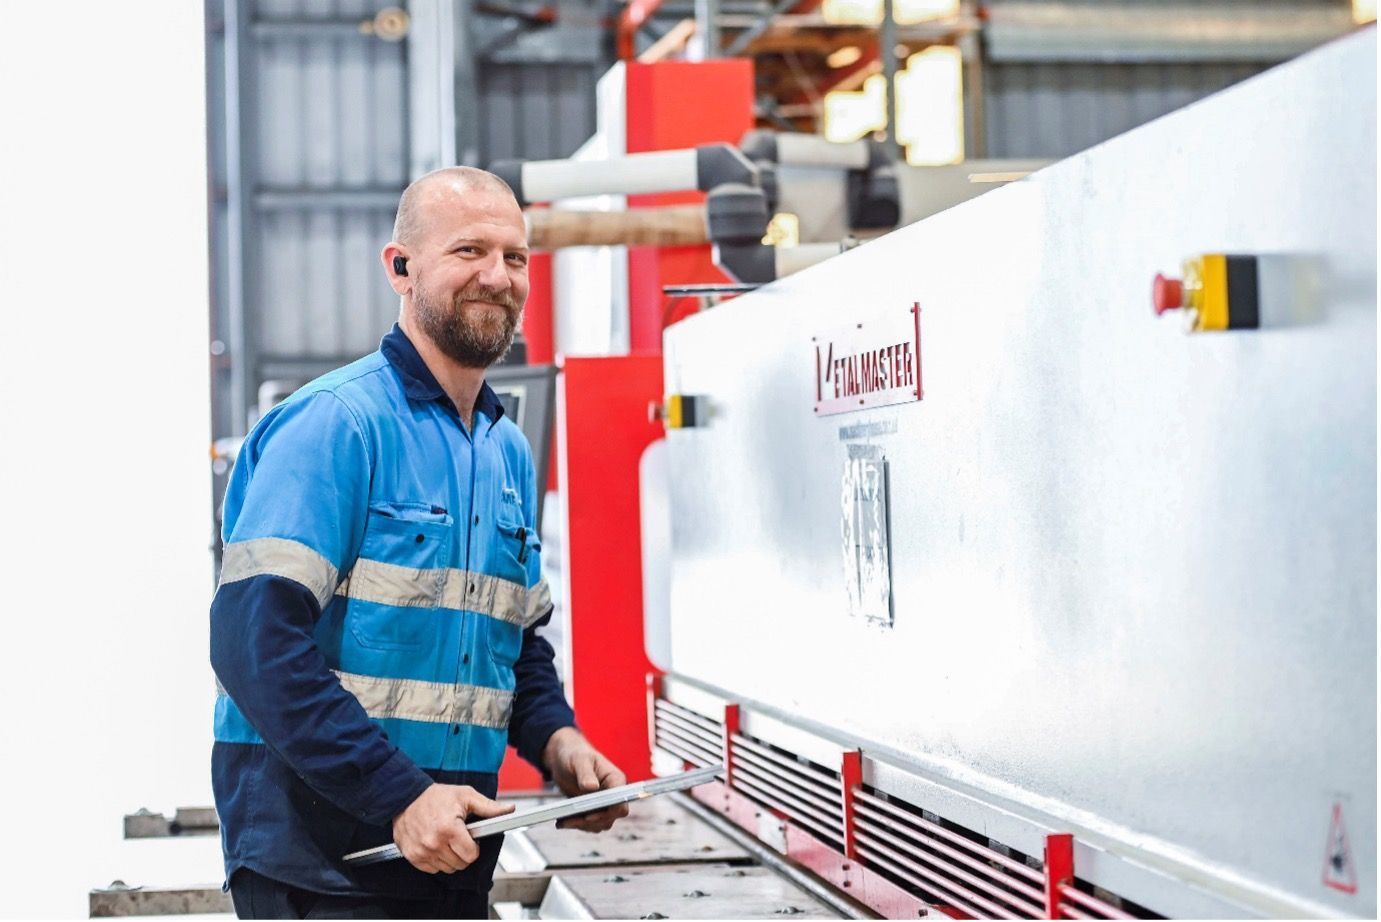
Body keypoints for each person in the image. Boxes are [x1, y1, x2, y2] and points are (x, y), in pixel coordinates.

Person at [209, 167, 628, 920]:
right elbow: (253, 643)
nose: (497, 276)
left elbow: (512, 643)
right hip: (322, 870)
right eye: (469, 251)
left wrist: (558, 740)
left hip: (450, 857)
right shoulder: (335, 425)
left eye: (514, 257)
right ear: (400, 267)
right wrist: (399, 796)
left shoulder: (504, 450)